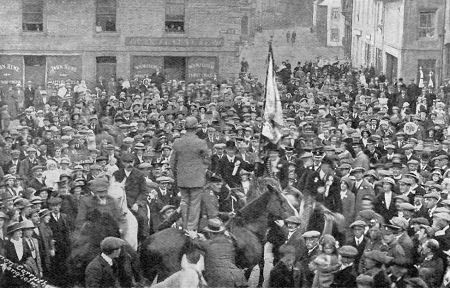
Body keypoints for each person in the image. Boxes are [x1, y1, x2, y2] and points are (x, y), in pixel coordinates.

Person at [170, 116, 211, 231]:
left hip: (182, 179)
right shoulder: (201, 143)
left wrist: (176, 175)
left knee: (184, 202)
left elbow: (172, 162)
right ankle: (191, 229)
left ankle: (184, 226)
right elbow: (207, 160)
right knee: (194, 204)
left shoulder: (177, 142)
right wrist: (202, 168)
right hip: (197, 179)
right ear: (196, 128)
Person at [186, 218, 247, 288]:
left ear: (209, 233)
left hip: (220, 280)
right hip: (238, 278)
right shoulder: (230, 243)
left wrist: (193, 236)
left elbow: (196, 243)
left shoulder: (207, 244)